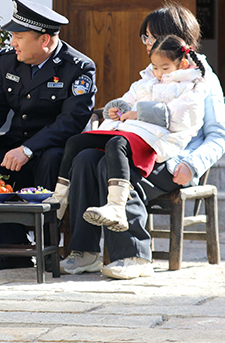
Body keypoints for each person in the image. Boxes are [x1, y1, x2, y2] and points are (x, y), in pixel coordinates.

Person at [61, 1, 225, 279]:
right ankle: (84, 251)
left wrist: (192, 164)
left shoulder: (202, 79)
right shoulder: (154, 74)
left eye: (151, 37)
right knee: (85, 159)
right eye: (146, 37)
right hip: (141, 148)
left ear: (173, 38)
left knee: (111, 167)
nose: (147, 43)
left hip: (174, 160)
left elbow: (218, 135)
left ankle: (134, 256)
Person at [0, 0, 96, 269]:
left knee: (51, 159)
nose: (12, 43)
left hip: (55, 150)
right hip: (17, 145)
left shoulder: (78, 68)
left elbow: (71, 122)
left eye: (18, 36)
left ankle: (47, 246)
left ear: (44, 40)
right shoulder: (9, 62)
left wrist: (28, 149)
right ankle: (10, 247)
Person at [52, 35, 209, 233]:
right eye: (155, 67)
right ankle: (59, 200)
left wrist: (140, 113)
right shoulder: (147, 81)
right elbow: (128, 99)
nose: (159, 73)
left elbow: (181, 117)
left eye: (165, 68)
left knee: (116, 144)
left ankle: (116, 206)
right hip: (130, 131)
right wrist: (117, 109)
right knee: (76, 142)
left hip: (156, 138)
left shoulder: (193, 85)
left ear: (183, 63)